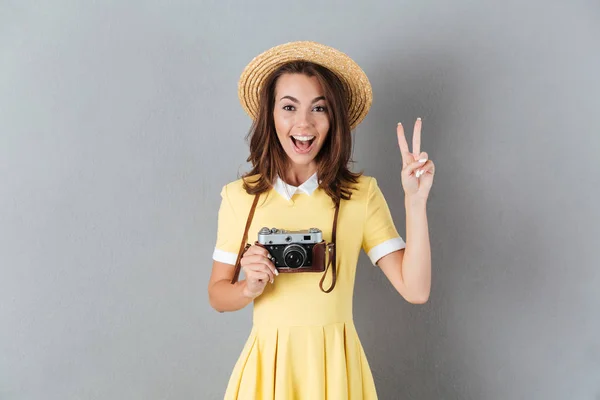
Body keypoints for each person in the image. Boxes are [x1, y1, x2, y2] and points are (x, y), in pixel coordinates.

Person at [208, 41, 435, 400]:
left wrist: (416, 201)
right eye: (288, 107)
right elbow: (218, 295)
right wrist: (249, 288)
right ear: (270, 116)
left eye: (319, 108)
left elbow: (416, 289)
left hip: (336, 370)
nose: (304, 123)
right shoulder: (240, 197)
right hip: (267, 372)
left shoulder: (360, 194)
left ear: (334, 120)